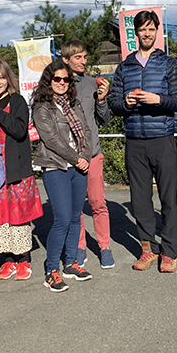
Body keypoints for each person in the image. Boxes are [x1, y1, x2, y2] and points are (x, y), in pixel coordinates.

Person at [108, 10, 177, 273]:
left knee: (168, 198)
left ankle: (170, 251)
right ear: (136, 33)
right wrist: (125, 103)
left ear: (157, 31)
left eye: (152, 28)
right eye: (142, 29)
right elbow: (114, 103)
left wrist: (158, 100)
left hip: (162, 138)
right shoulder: (124, 66)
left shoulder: (169, 65)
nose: (147, 33)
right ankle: (147, 249)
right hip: (134, 140)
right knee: (139, 199)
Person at [0, 59, 43, 281]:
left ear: (9, 79)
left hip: (16, 168)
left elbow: (18, 130)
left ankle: (23, 259)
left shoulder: (16, 101)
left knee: (19, 215)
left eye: (1, 77)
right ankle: (7, 260)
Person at [32, 61, 93, 293]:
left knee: (76, 217)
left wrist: (84, 157)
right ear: (49, 81)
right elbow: (51, 140)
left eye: (65, 79)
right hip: (55, 165)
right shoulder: (42, 107)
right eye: (56, 79)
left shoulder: (73, 104)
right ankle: (51, 270)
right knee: (62, 219)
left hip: (78, 166)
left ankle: (70, 264)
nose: (61, 83)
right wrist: (77, 158)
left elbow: (85, 131)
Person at [61, 40, 115, 269]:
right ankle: (79, 246)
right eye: (77, 58)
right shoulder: (58, 84)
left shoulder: (94, 84)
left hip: (92, 153)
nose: (83, 61)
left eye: (84, 57)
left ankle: (105, 247)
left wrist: (102, 100)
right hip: (68, 156)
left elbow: (105, 120)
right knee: (75, 207)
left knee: (97, 202)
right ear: (65, 59)